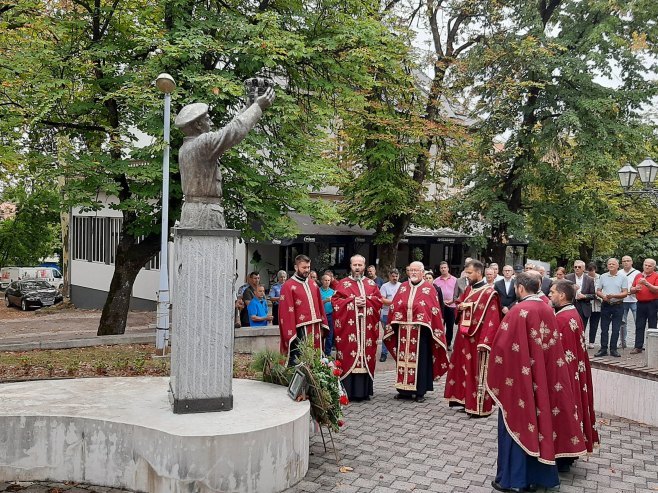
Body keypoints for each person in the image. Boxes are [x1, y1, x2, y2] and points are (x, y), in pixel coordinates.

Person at [487, 272, 587, 492]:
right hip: (543, 381)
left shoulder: (517, 311)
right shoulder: (547, 309)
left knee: (517, 424)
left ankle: (514, 481)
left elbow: (502, 350)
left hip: (520, 384)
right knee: (541, 424)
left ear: (521, 288)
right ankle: (539, 477)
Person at [174, 86, 275, 229]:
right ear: (197, 124)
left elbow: (229, 129)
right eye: (207, 119)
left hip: (193, 211)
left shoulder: (186, 147)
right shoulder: (202, 144)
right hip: (205, 213)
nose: (211, 123)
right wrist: (257, 107)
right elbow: (232, 131)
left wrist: (247, 109)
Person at [549, 280, 600, 472]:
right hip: (573, 375)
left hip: (564, 377)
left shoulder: (562, 319)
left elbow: (559, 354)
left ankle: (564, 455)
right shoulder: (571, 313)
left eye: (553, 292)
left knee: (564, 411)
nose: (550, 295)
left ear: (562, 296)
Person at [383, 261, 449, 402]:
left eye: (416, 270)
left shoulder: (428, 289)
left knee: (421, 361)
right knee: (403, 360)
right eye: (411, 270)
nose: (413, 273)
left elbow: (434, 311)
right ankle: (403, 390)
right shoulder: (403, 287)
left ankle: (420, 392)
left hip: (422, 333)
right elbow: (395, 306)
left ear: (422, 272)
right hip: (403, 331)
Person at [444, 259, 502, 416]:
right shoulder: (469, 289)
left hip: (477, 339)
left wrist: (486, 341)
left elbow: (492, 320)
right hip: (463, 337)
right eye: (466, 273)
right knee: (463, 369)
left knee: (476, 371)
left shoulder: (490, 293)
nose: (467, 276)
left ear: (479, 272)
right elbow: (460, 304)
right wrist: (460, 307)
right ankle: (465, 400)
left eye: (469, 273)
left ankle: (479, 407)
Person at [331, 255, 383, 401]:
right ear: (350, 266)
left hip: (366, 331)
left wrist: (366, 302)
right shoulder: (343, 283)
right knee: (348, 355)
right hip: (349, 332)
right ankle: (348, 391)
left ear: (364, 266)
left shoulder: (371, 284)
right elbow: (335, 302)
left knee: (365, 356)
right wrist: (353, 302)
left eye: (360, 265)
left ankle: (364, 392)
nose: (357, 268)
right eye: (355, 265)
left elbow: (378, 301)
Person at [278, 255, 328, 365]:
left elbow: (320, 304)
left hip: (316, 327)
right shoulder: (288, 286)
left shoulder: (313, 284)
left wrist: (322, 323)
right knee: (300, 358)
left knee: (316, 357)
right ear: (296, 267)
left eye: (308, 267)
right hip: (299, 329)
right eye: (304, 267)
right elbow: (286, 311)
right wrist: (291, 331)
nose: (307, 270)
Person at [594, 258, 628, 358]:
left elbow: (625, 293)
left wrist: (614, 296)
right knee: (604, 328)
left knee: (616, 329)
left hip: (618, 305)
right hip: (606, 305)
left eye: (613, 264)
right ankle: (603, 348)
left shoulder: (623, 277)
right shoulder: (603, 276)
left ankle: (613, 349)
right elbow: (598, 290)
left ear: (618, 266)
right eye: (609, 264)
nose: (611, 265)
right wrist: (603, 296)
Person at [629, 258, 658, 354]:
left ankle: (652, 348)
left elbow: (656, 290)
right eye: (645, 265)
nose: (647, 267)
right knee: (639, 325)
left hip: (652, 303)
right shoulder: (638, 275)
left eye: (649, 266)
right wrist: (635, 288)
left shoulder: (656, 276)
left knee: (652, 325)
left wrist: (646, 283)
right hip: (640, 303)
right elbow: (631, 289)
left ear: (654, 267)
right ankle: (638, 347)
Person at [379, 269, 401, 362]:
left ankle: (399, 352)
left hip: (399, 314)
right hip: (386, 314)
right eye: (393, 276)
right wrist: (395, 303)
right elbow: (382, 300)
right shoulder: (385, 286)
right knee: (387, 334)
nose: (395, 278)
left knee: (399, 334)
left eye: (396, 276)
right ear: (389, 276)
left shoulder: (402, 286)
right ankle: (384, 353)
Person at [566, 260, 596, 328]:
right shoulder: (568, 277)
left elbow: (593, 295)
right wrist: (572, 290)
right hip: (571, 305)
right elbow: (564, 292)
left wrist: (584, 296)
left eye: (579, 267)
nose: (577, 268)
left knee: (582, 329)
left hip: (584, 307)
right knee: (570, 328)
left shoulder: (590, 279)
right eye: (575, 267)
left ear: (583, 269)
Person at [434, 261, 457, 349]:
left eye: (445, 267)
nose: (443, 269)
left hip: (452, 306)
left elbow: (457, 293)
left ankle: (448, 343)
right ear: (440, 269)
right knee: (440, 325)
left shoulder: (455, 280)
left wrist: (452, 300)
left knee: (450, 326)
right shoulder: (436, 281)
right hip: (441, 306)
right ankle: (440, 342)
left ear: (448, 268)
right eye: (441, 268)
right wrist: (441, 302)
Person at [620, 256, 640, 349]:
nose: (626, 262)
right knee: (622, 322)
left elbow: (640, 286)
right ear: (621, 263)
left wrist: (633, 291)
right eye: (624, 261)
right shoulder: (619, 273)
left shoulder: (637, 273)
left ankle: (638, 343)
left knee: (638, 322)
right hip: (622, 300)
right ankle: (622, 343)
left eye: (628, 261)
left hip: (634, 300)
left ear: (632, 262)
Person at [586, 262, 601, 349]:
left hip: (597, 305)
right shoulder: (585, 278)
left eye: (592, 270)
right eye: (589, 270)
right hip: (587, 303)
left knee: (594, 324)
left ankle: (592, 342)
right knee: (584, 323)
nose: (591, 272)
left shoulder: (600, 277)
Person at [320, 274, 336, 356]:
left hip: (330, 315)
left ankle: (328, 353)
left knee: (330, 335)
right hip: (321, 316)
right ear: (322, 281)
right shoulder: (318, 291)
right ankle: (320, 353)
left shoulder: (333, 292)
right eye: (325, 280)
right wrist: (326, 300)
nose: (327, 282)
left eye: (328, 280)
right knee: (321, 335)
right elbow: (317, 304)